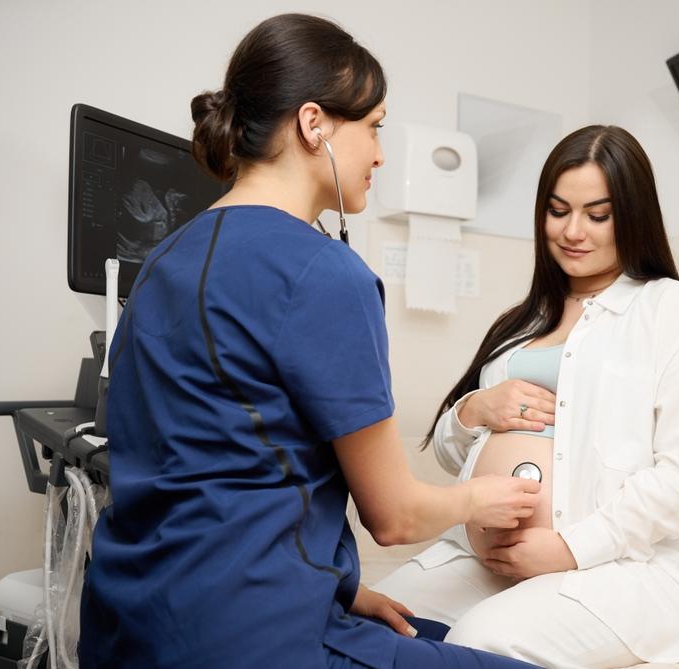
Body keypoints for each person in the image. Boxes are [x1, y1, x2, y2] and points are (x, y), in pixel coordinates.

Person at [78, 14, 543, 669]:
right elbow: (396, 518)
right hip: (252, 641)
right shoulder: (323, 272)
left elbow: (209, 473)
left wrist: (343, 587)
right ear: (314, 123)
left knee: (430, 631)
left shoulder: (161, 261)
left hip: (130, 630)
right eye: (375, 125)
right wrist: (481, 498)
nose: (381, 152)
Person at [373, 125, 679, 669]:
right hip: (493, 556)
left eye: (598, 214)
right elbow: (455, 457)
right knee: (375, 617)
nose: (572, 231)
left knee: (484, 640)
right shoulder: (522, 322)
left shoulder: (670, 311)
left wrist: (570, 548)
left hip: (623, 566)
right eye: (557, 209)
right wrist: (474, 410)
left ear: (632, 216)